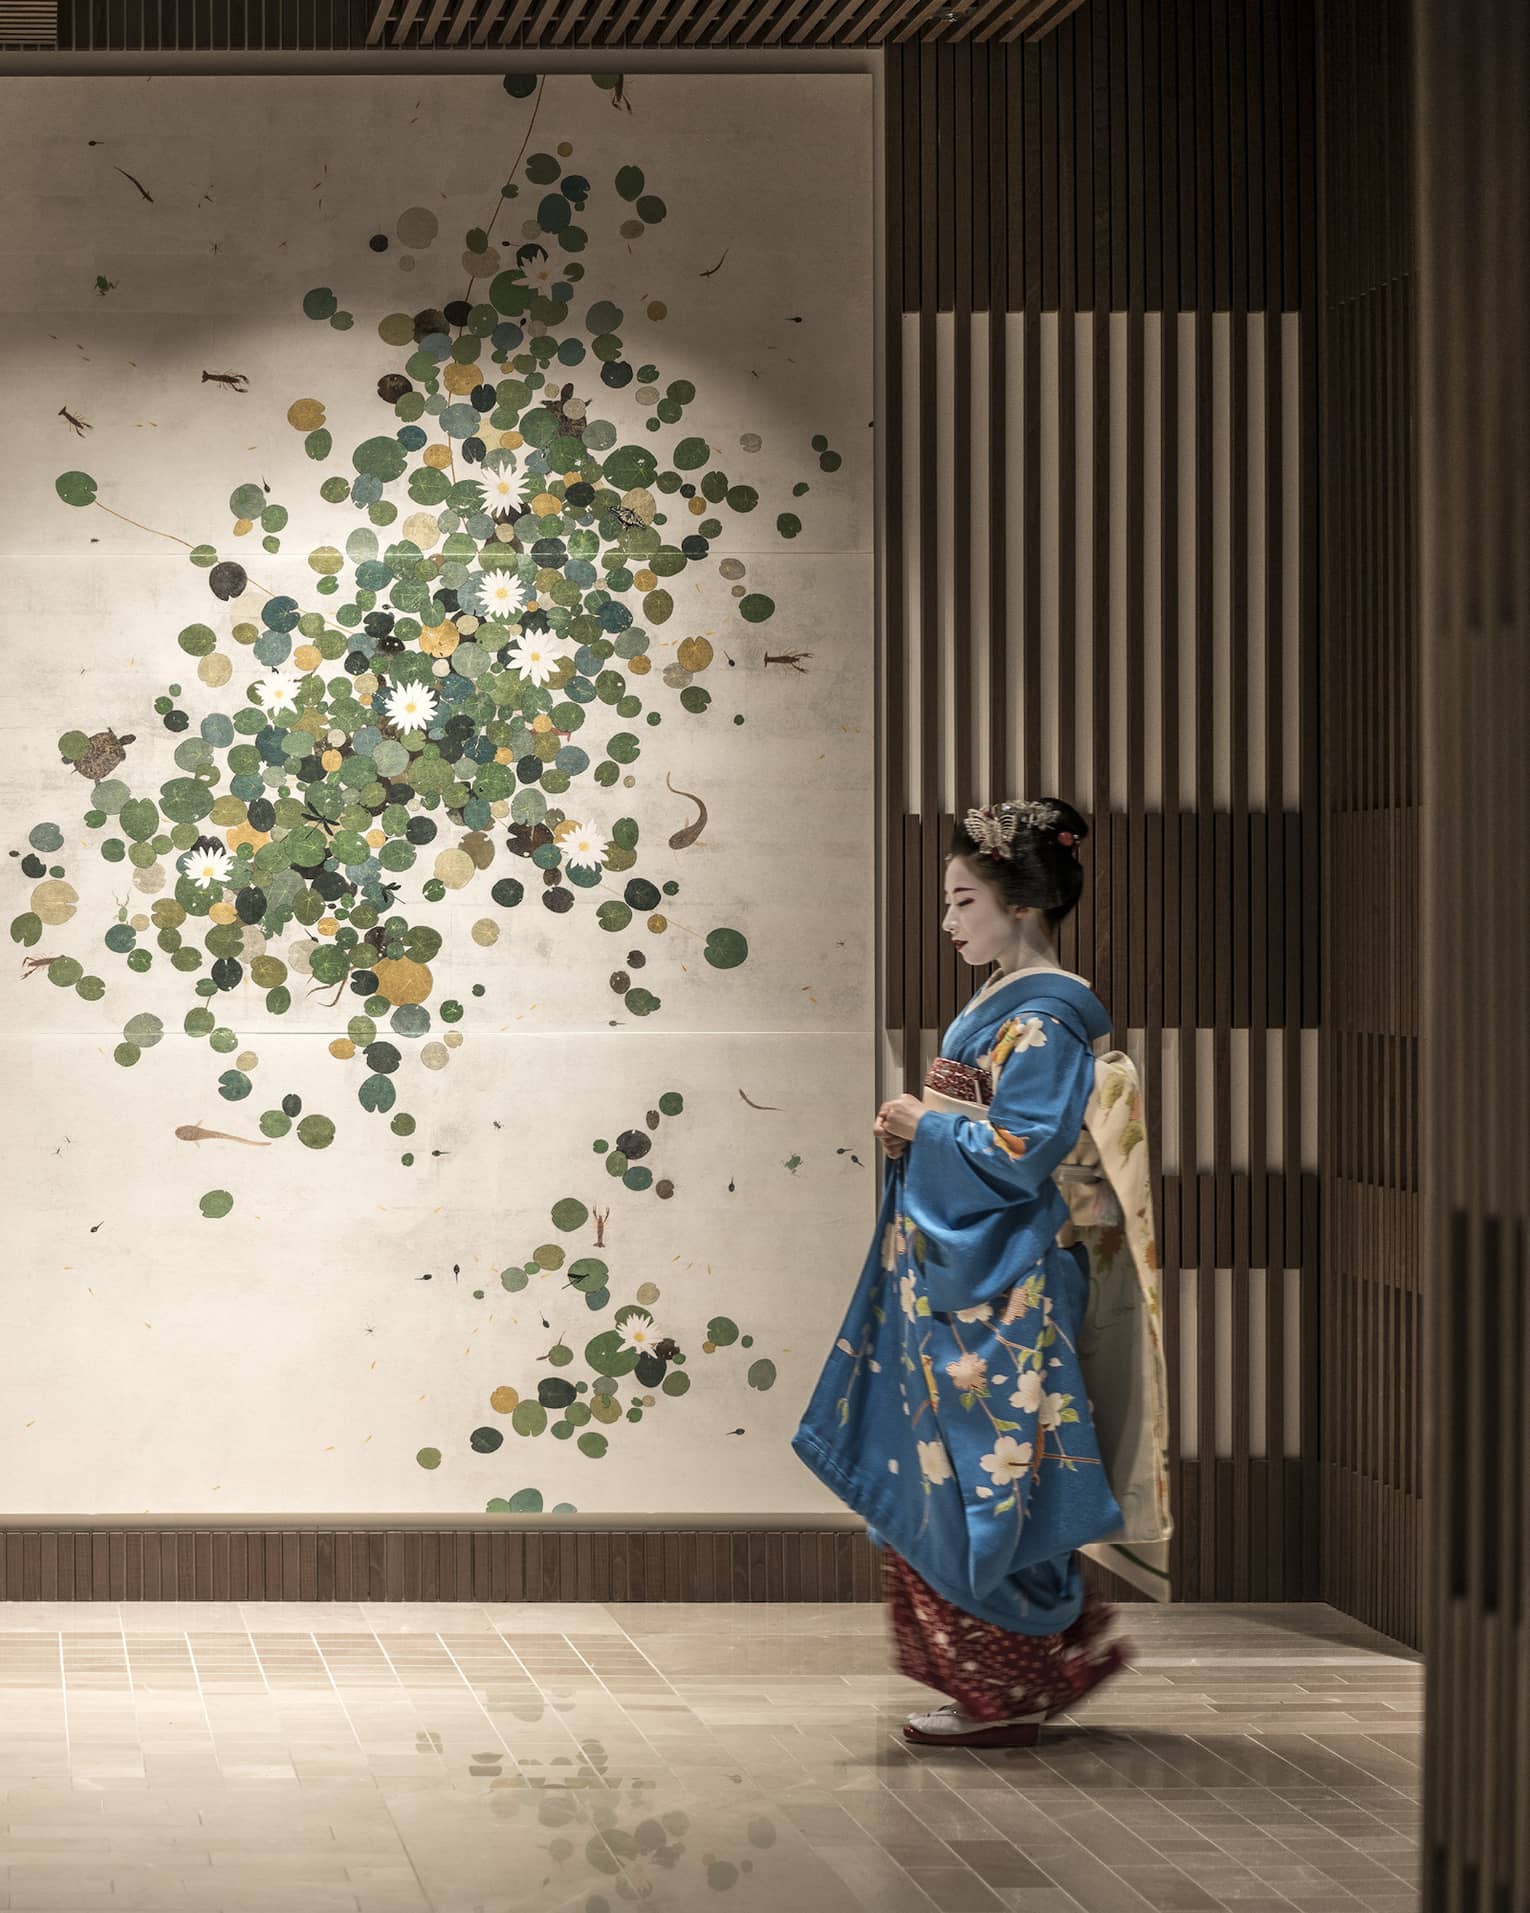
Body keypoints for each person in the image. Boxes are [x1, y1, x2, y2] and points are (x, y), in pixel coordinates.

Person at [794, 797, 1169, 1749]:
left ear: (1024, 905)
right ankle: (1025, 1674)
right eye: (949, 902)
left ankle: (1010, 1685)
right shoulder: (1012, 1008)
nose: (950, 920)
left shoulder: (1041, 1021)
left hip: (1012, 1277)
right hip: (982, 1266)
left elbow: (1019, 1150)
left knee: (986, 1470)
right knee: (972, 1464)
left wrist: (928, 1126)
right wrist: (916, 1132)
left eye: (965, 900)